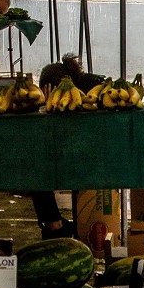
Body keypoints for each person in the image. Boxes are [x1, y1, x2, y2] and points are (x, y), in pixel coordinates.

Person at [31, 55, 106, 238]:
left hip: (96, 152)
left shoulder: (92, 91)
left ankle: (59, 226)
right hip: (76, 148)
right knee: (37, 164)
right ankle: (54, 224)